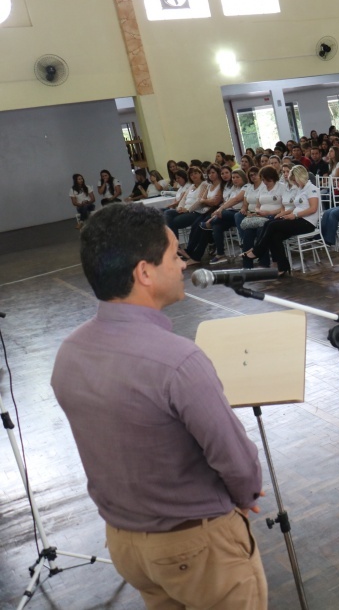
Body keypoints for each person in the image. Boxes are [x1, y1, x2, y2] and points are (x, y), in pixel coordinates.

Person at [51, 204, 266, 609]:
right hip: (195, 545)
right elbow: (235, 460)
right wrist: (247, 493)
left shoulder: (70, 352)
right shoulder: (178, 361)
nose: (183, 264)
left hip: (126, 544)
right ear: (144, 273)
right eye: (173, 255)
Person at [245, 165, 321, 277]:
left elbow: (313, 209)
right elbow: (297, 207)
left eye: (294, 180)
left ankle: (257, 251)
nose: (294, 182)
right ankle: (283, 267)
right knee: (274, 234)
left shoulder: (311, 189)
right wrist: (284, 213)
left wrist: (294, 215)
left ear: (299, 177)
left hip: (307, 222)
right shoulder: (301, 189)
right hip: (297, 218)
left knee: (272, 225)